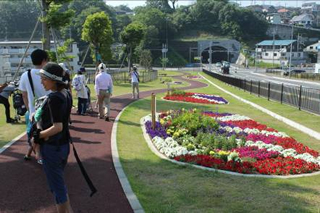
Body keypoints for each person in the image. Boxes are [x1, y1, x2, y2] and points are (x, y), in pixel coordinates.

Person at [31, 62, 73, 212]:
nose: (41, 82)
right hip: (63, 146)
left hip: (53, 149)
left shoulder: (54, 98)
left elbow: (58, 126)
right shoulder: (66, 93)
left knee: (58, 189)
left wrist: (38, 135)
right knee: (59, 185)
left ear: (53, 80)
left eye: (44, 79)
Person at [19, 49, 50, 162]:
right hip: (50, 110)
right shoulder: (49, 73)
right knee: (49, 134)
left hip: (34, 111)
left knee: (36, 133)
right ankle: (45, 156)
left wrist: (29, 109)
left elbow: (24, 95)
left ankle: (39, 156)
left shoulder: (25, 75)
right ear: (44, 60)